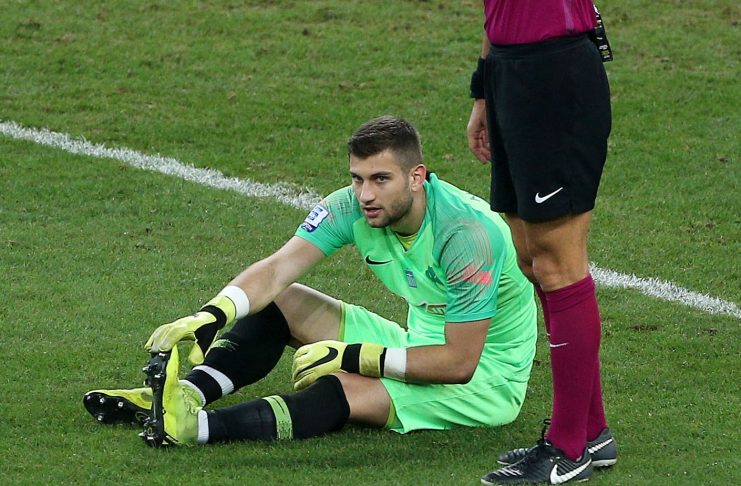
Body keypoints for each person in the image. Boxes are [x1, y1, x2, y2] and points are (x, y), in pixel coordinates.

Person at [84, 115, 538, 447]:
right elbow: (277, 270)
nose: (366, 194)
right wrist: (212, 315)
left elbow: (458, 362)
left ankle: (197, 429)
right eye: (358, 179)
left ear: (416, 177)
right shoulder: (353, 207)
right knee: (283, 301)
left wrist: (355, 357)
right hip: (416, 341)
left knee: (344, 385)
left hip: (483, 382)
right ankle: (183, 395)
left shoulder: (466, 237)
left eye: (381, 179)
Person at [466, 2, 617, 484]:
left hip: (556, 74)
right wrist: (484, 90)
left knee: (557, 263)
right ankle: (591, 431)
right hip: (507, 73)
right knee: (532, 261)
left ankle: (567, 449)